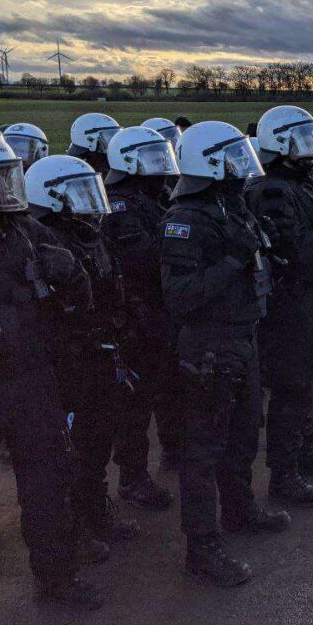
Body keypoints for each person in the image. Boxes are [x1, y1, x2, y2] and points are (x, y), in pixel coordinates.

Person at [160, 121, 290, 586]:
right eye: (232, 159)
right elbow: (179, 296)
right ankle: (203, 547)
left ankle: (239, 511)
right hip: (210, 345)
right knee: (205, 451)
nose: (242, 168)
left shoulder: (227, 206)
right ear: (209, 163)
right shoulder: (187, 219)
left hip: (241, 338)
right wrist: (233, 260)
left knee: (243, 435)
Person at [0, 135, 104, 609]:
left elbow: (80, 293)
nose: (1, 189)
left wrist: (71, 275)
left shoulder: (24, 230)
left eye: (4, 176)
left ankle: (56, 577)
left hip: (31, 377)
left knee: (48, 484)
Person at [25, 155, 142, 554]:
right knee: (69, 451)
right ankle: (74, 530)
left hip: (98, 352)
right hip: (65, 363)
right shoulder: (40, 243)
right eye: (80, 194)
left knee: (97, 441)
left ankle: (95, 513)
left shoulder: (90, 236)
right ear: (52, 198)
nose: (90, 203)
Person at [246, 105, 313, 510]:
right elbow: (300, 249)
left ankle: (307, 449)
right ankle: (284, 474)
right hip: (292, 301)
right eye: (300, 141)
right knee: (293, 388)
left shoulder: (305, 183)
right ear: (278, 144)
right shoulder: (272, 190)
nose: (310, 149)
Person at [102, 126, 182, 509]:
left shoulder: (153, 196)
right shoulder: (119, 205)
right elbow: (146, 260)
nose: (161, 168)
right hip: (134, 317)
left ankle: (173, 448)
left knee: (165, 387)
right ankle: (132, 478)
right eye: (152, 160)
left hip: (158, 311)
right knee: (134, 404)